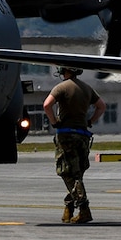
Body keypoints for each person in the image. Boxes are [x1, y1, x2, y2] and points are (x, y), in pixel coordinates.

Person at [44, 66, 105, 224]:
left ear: (65, 71)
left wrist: (54, 122)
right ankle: (68, 209)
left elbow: (46, 105)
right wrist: (90, 121)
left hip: (66, 135)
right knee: (77, 173)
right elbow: (101, 107)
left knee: (67, 173)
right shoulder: (86, 88)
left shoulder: (61, 87)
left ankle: (84, 209)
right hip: (82, 135)